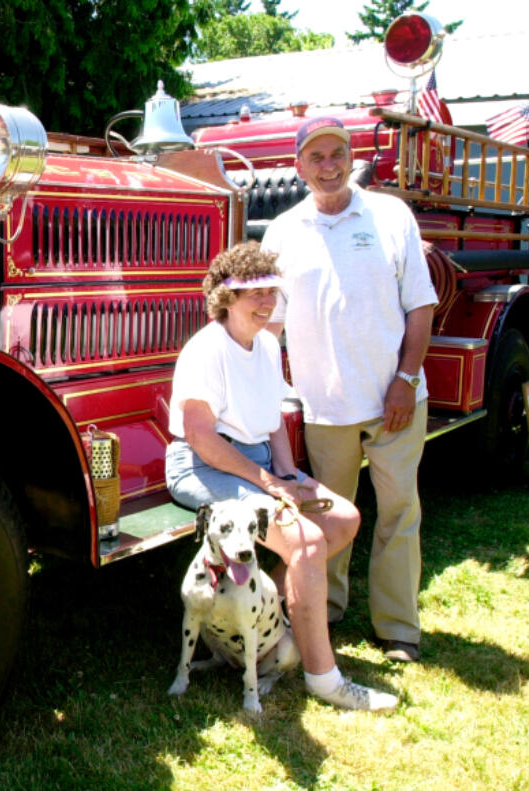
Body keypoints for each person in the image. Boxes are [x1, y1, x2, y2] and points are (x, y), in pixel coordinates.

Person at [166, 241, 397, 712]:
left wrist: (290, 474)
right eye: (255, 293)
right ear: (225, 298)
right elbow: (200, 437)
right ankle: (324, 680)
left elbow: (273, 421)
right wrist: (267, 482)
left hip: (255, 465)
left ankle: (263, 615)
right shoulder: (205, 349)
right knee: (307, 542)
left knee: (345, 519)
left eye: (271, 290)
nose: (267, 301)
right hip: (203, 465)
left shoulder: (268, 343)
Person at [262, 117, 438, 664]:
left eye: (337, 153)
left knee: (398, 512)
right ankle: (325, 610)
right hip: (324, 407)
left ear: (352, 156)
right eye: (315, 158)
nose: (328, 166)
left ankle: (398, 629)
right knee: (326, 518)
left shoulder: (390, 216)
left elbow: (421, 304)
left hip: (396, 400)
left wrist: (406, 381)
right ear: (299, 167)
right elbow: (271, 323)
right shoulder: (283, 231)